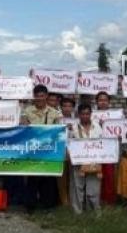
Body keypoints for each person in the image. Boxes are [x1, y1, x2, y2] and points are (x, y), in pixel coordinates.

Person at [21, 84, 62, 212]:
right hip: (32, 150)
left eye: (42, 96)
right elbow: (23, 127)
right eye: (37, 96)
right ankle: (30, 206)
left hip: (48, 150)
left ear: (46, 96)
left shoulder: (55, 113)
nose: (39, 98)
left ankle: (48, 205)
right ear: (34, 97)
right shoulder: (27, 111)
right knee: (32, 178)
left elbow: (59, 131)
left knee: (48, 178)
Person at [69, 103, 103, 214]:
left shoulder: (98, 127)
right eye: (82, 114)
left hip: (94, 162)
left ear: (91, 114)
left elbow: (104, 144)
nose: (85, 116)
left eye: (87, 114)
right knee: (77, 188)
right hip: (78, 163)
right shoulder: (73, 129)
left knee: (94, 188)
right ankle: (78, 212)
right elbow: (68, 144)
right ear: (78, 115)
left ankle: (94, 211)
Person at [94, 91, 117, 206]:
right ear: (96, 102)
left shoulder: (116, 115)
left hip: (109, 149)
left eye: (105, 100)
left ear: (109, 102)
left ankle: (108, 201)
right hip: (94, 149)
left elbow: (120, 130)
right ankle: (95, 200)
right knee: (95, 174)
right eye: (100, 100)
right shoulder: (91, 115)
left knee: (108, 175)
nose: (102, 102)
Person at [57, 97, 76, 207]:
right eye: (65, 106)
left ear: (73, 108)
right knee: (61, 178)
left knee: (72, 178)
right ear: (61, 107)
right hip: (61, 152)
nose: (67, 108)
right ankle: (64, 201)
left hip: (74, 153)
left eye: (70, 106)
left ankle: (72, 200)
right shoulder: (57, 120)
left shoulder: (77, 120)